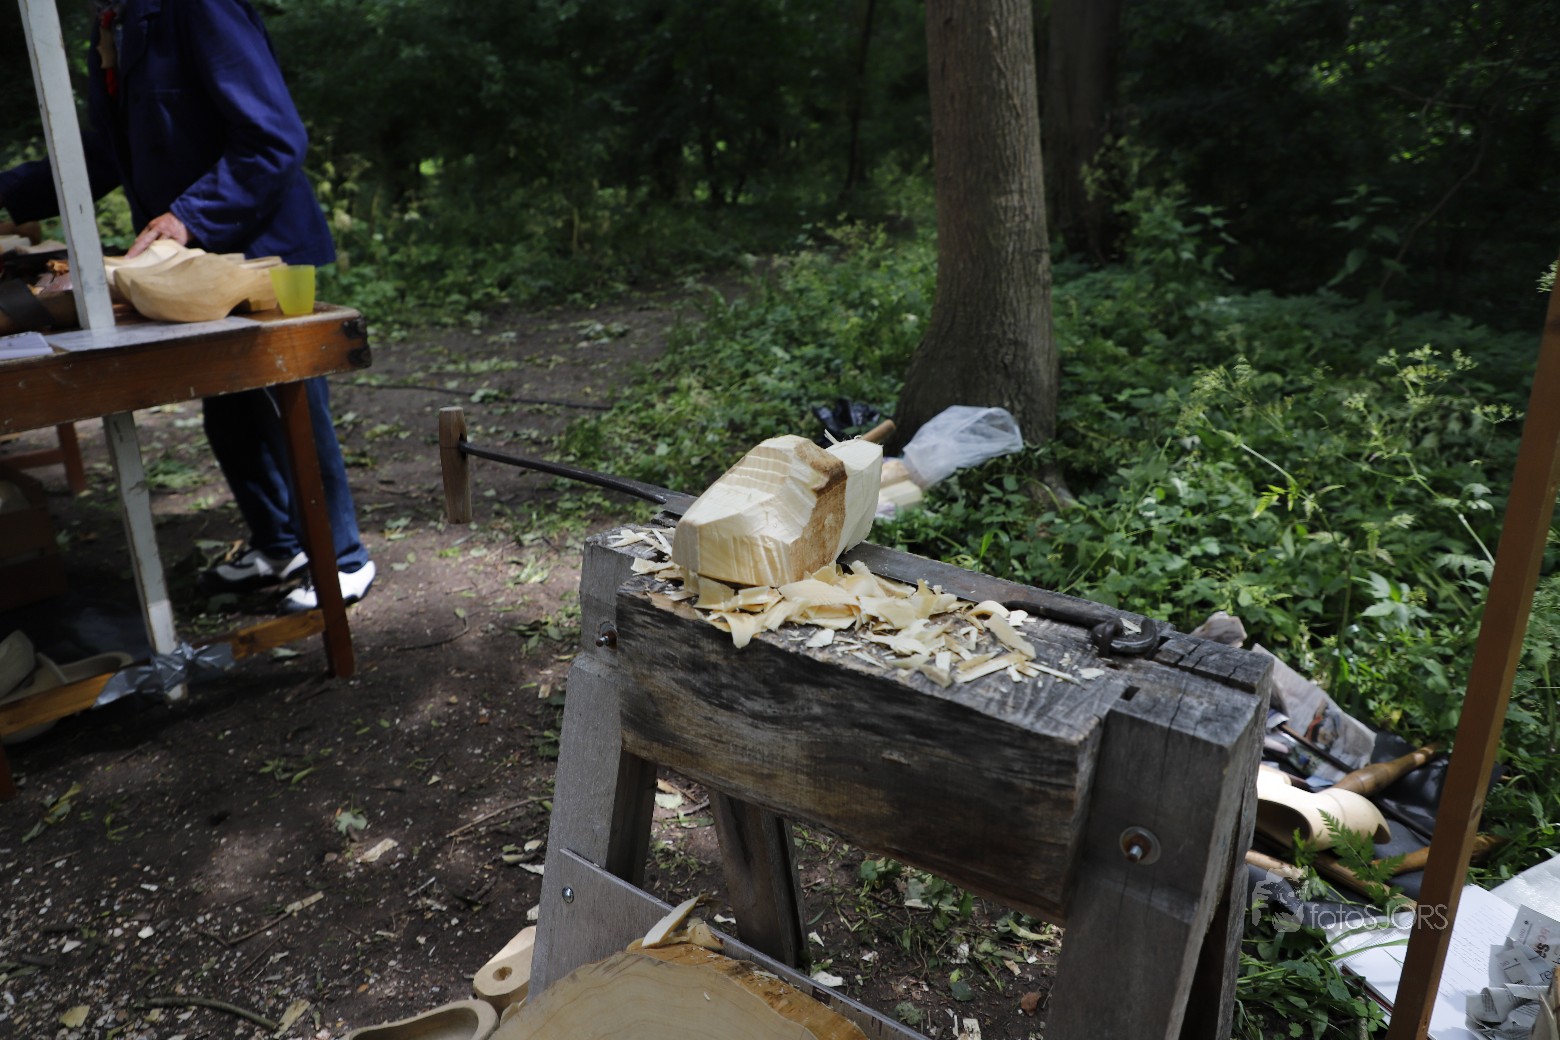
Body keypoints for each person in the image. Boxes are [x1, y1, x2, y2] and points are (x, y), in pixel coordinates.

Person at [0, 0, 373, 613]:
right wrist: (8, 193)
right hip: (196, 262)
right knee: (228, 413)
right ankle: (278, 545)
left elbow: (273, 138)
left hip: (261, 248)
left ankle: (342, 559)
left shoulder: (200, 6)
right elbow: (104, 151)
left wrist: (187, 217)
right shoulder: (113, 23)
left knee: (287, 405)